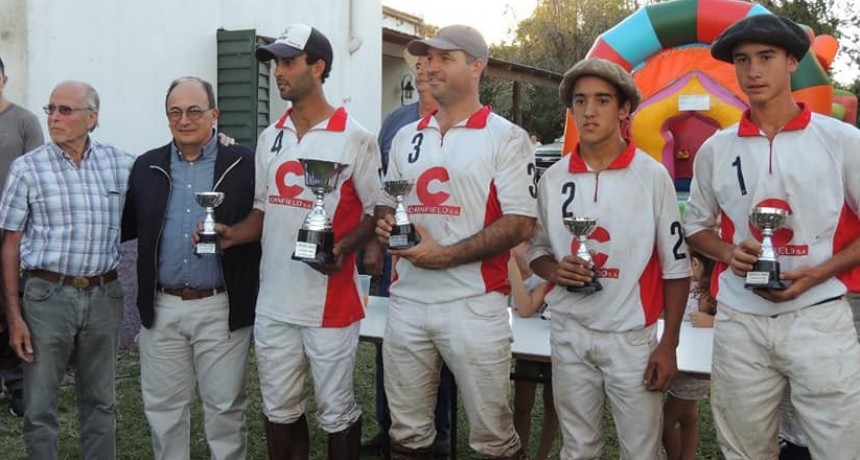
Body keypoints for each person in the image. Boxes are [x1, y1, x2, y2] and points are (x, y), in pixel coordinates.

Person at [683, 14, 860, 459]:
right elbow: (696, 226)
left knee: (840, 446)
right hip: (740, 320)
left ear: (792, 63)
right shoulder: (715, 149)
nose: (753, 71)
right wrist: (729, 252)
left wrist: (819, 272)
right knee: (743, 451)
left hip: (819, 317)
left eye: (766, 57)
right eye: (742, 60)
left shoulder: (841, 140)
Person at [209, 24, 380, 459]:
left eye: (288, 62)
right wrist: (232, 234)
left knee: (335, 411)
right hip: (274, 299)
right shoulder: (271, 137)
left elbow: (376, 211)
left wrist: (342, 248)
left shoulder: (356, 137)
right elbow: (264, 210)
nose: (277, 72)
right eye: (274, 63)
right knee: (279, 409)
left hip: (330, 300)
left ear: (318, 67)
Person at [376, 24, 534, 459]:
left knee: (492, 439)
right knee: (406, 434)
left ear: (476, 67)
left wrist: (444, 256)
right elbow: (387, 204)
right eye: (426, 58)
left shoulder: (506, 136)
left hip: (474, 304)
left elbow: (520, 223)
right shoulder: (406, 136)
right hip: (407, 300)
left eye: (444, 58)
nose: (429, 66)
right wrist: (387, 224)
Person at [528, 58, 690, 459]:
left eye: (602, 100)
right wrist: (556, 270)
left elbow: (677, 267)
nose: (589, 111)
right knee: (578, 447)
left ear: (623, 109)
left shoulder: (652, 177)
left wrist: (668, 344)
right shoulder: (553, 178)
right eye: (580, 101)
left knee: (640, 450)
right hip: (568, 331)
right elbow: (538, 252)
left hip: (630, 337)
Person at [121, 76, 259, 460]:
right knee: (163, 412)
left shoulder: (244, 163)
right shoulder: (147, 165)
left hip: (220, 305)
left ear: (214, 114)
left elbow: (263, 220)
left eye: (195, 110)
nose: (185, 119)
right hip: (162, 307)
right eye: (175, 112)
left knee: (225, 411)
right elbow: (126, 223)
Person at [0, 81, 134, 459]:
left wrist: (215, 144)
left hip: (104, 296)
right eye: (51, 109)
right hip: (46, 297)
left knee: (101, 402)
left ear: (93, 118)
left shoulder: (120, 164)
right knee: (40, 407)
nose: (54, 118)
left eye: (65, 110)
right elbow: (9, 245)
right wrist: (14, 317)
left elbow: (165, 170)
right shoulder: (27, 169)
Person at [361, 53, 455, 456]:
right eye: (417, 64)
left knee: (443, 343)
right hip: (397, 258)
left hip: (450, 259)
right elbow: (385, 191)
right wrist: (374, 244)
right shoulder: (395, 123)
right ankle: (391, 425)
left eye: (431, 63)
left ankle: (441, 427)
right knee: (391, 342)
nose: (422, 71)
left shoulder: (465, 122)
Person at [0, 55, 44, 418]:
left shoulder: (24, 121)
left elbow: (38, 175)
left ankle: (17, 387)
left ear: (4, 79)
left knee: (10, 309)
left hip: (11, 233)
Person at [662, 251, 715, 460]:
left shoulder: (707, 293)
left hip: (695, 366)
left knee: (664, 422)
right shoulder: (687, 286)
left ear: (694, 263)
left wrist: (712, 321)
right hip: (681, 360)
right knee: (689, 418)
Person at [509, 242, 558, 459]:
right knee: (522, 403)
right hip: (525, 343)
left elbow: (526, 308)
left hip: (551, 340)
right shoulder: (508, 266)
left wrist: (511, 264)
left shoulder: (544, 271)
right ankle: (521, 452)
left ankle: (542, 455)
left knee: (552, 403)